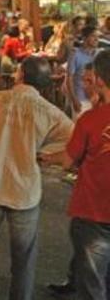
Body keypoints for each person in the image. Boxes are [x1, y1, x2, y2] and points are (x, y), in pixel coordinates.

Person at [0, 56, 73, 300]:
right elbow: (77, 142)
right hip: (24, 195)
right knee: (23, 261)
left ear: (19, 75)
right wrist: (51, 157)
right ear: (44, 83)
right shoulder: (50, 113)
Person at [41, 50, 110, 300]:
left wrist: (45, 157)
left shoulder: (90, 120)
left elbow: (69, 159)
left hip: (93, 213)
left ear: (100, 79)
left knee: (92, 287)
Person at [68, 26, 99, 120]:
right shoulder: (75, 55)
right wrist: (74, 100)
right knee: (79, 129)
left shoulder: (98, 54)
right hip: (80, 99)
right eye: (93, 36)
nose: (97, 39)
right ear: (85, 38)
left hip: (95, 99)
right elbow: (69, 79)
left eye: (97, 36)